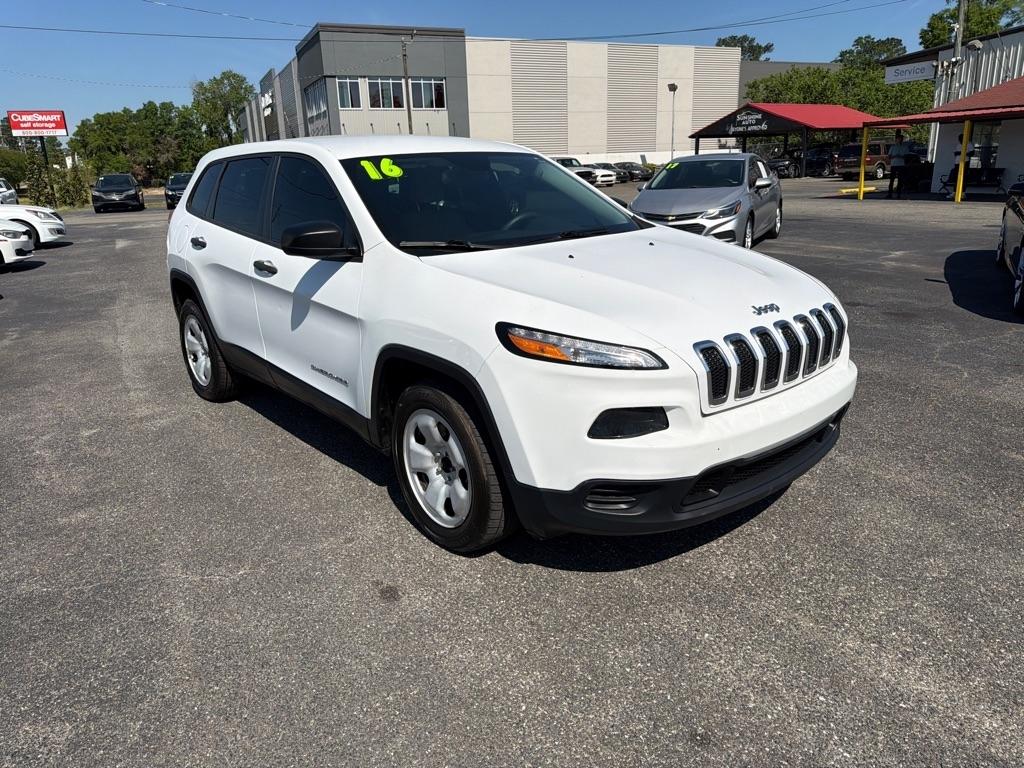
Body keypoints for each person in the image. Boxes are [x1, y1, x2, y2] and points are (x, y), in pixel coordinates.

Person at [947, 133, 975, 199]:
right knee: (956, 178)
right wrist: (962, 152)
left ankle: (963, 193)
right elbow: (955, 153)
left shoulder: (969, 144)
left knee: (963, 177)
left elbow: (972, 153)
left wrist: (961, 153)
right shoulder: (958, 145)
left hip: (965, 162)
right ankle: (954, 192)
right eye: (959, 139)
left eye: (961, 139)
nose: (960, 140)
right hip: (957, 163)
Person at [887, 130, 909, 199]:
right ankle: (890, 194)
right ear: (896, 139)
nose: (899, 140)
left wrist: (901, 156)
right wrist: (894, 156)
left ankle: (898, 194)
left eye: (900, 139)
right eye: (898, 139)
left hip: (901, 165)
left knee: (900, 180)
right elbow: (889, 156)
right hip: (894, 165)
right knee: (892, 180)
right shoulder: (893, 147)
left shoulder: (905, 147)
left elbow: (906, 157)